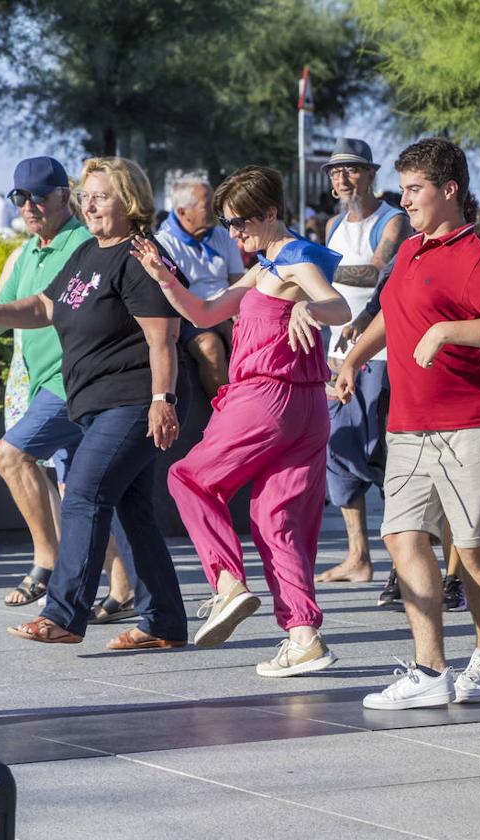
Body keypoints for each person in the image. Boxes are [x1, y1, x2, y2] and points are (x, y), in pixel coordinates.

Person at [0, 156, 189, 651]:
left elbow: (163, 337)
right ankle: (164, 623)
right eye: (86, 196)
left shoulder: (141, 255)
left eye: (100, 196)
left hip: (133, 400)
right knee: (132, 511)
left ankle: (63, 614)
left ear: (130, 200)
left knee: (83, 491)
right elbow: (45, 305)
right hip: (97, 403)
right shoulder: (90, 252)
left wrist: (162, 400)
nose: (90, 204)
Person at [336, 137, 480, 709]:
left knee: (470, 546)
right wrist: (351, 358)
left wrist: (448, 331)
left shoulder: (478, 256)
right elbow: (393, 317)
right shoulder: (412, 251)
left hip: (474, 422)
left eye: (416, 188)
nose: (407, 198)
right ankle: (429, 670)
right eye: (405, 187)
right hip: (410, 426)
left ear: (450, 191)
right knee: (400, 535)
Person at [145, 165, 351, 677]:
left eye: (241, 223)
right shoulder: (265, 266)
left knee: (187, 477)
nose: (233, 233)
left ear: (271, 215)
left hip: (268, 398)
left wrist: (309, 305)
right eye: (228, 224)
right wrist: (165, 278)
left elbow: (338, 304)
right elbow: (204, 312)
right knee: (276, 522)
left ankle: (227, 584)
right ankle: (304, 638)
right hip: (307, 410)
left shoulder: (292, 260)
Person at [313, 138, 410, 586]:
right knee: (338, 453)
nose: (342, 178)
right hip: (337, 357)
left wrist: (312, 266)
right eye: (336, 171)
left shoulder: (393, 221)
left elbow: (377, 271)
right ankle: (358, 556)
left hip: (382, 354)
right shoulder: (333, 224)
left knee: (386, 457)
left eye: (352, 169)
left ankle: (403, 562)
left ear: (372, 175)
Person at [155, 175, 245, 398]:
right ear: (183, 212)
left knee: (251, 334)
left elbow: (239, 283)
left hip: (227, 310)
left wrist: (236, 315)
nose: (217, 208)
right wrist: (215, 318)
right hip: (190, 317)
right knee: (210, 346)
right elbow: (171, 296)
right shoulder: (164, 243)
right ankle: (227, 411)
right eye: (208, 204)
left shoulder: (224, 236)